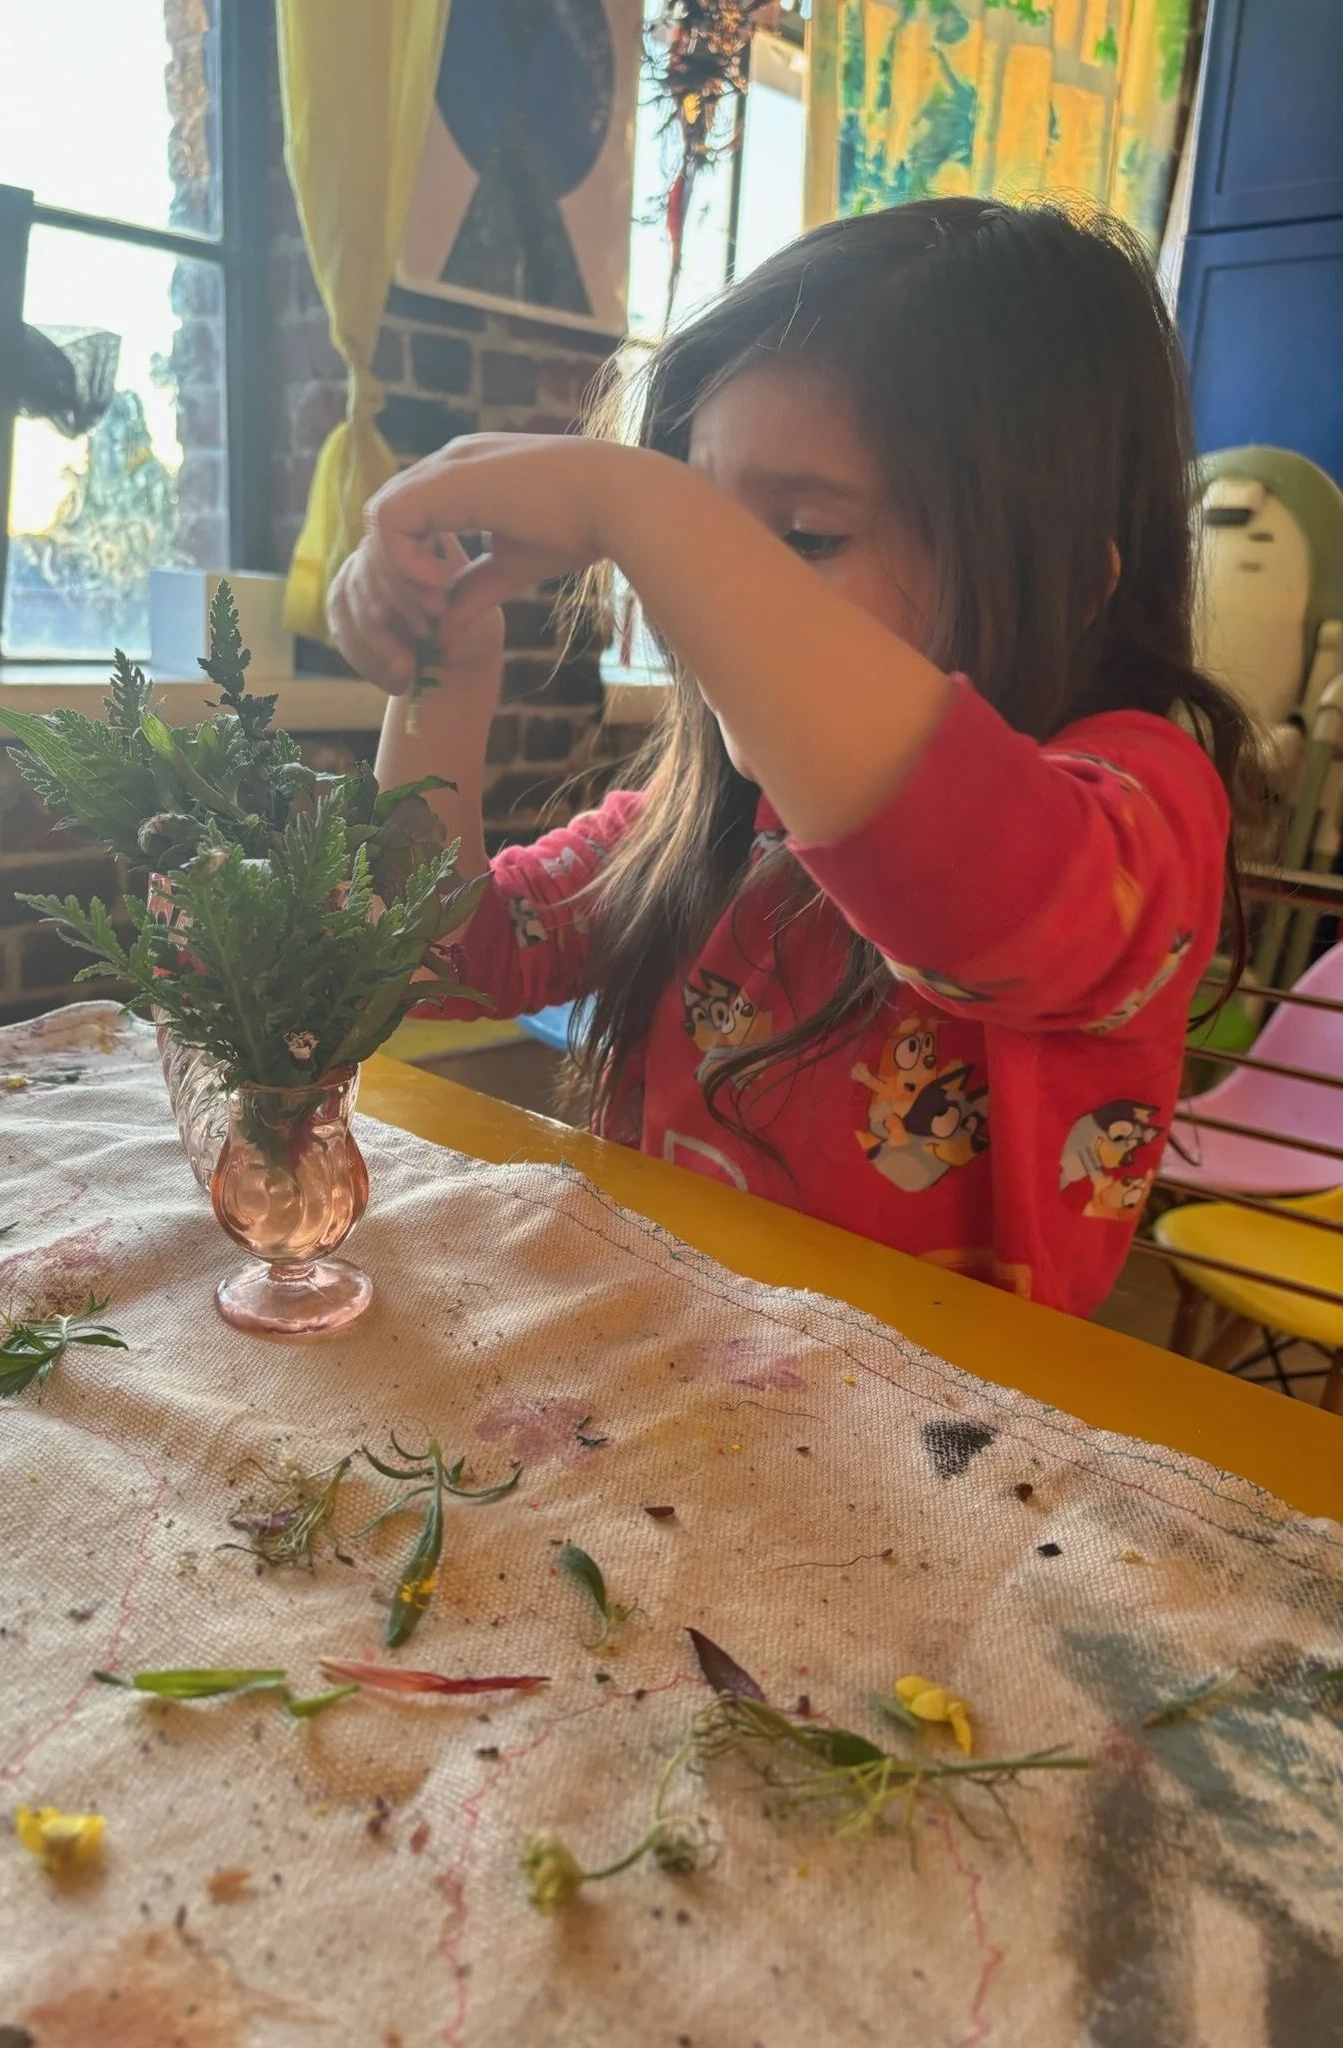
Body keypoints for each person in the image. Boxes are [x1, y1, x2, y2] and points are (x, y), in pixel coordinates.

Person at [328, 198, 1254, 1318]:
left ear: (1065, 589)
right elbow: (432, 954)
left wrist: (634, 501)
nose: (702, 594)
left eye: (803, 538)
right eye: (702, 530)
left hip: (917, 1442)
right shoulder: (704, 811)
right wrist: (443, 678)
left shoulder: (1141, 803)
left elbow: (979, 895)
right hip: (658, 1371)